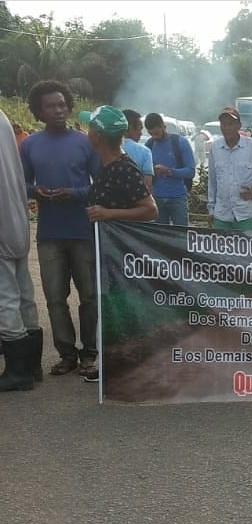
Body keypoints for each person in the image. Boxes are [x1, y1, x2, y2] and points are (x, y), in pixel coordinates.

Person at [20, 80, 101, 379]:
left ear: (69, 105)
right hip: (49, 234)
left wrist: (76, 193)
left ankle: (90, 353)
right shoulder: (29, 145)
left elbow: (99, 186)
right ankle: (66, 354)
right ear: (39, 112)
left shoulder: (85, 143)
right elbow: (22, 184)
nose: (58, 110)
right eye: (51, 106)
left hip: (83, 231)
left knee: (90, 296)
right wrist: (37, 191)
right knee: (55, 299)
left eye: (62, 104)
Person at [78, 105, 159, 382]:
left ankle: (122, 363)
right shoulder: (107, 165)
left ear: (98, 136)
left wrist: (109, 214)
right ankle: (111, 360)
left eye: (91, 128)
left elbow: (150, 209)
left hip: (119, 252)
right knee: (109, 305)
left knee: (118, 306)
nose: (87, 132)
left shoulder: (123, 169)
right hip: (107, 249)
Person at [0, 109, 42, 392]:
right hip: (15, 216)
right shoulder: (2, 117)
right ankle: (31, 365)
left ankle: (18, 372)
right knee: (23, 291)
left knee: (5, 295)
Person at [143, 112, 195, 225]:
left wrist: (169, 171)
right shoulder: (149, 145)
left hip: (178, 197)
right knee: (160, 236)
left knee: (181, 235)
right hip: (157, 198)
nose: (155, 137)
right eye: (152, 134)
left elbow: (191, 171)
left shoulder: (180, 142)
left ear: (163, 126)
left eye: (157, 133)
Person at [122, 108, 154, 194]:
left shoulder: (105, 148)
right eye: (140, 128)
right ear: (130, 127)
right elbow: (148, 186)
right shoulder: (145, 152)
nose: (141, 133)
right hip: (137, 204)